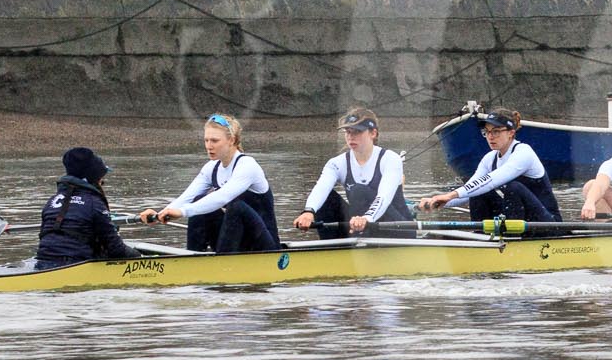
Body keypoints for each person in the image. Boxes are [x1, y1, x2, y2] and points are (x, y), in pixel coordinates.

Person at [139, 113, 281, 253]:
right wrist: (161, 214)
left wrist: (183, 212)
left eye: (214, 141)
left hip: (264, 246)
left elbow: (222, 198)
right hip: (235, 242)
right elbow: (186, 197)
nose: (209, 146)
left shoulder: (247, 165)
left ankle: (222, 262)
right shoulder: (211, 168)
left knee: (236, 207)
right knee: (198, 201)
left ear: (231, 140)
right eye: (206, 140)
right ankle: (193, 256)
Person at [419, 108, 560, 222]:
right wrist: (438, 201)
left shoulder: (524, 153)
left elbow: (492, 180)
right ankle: (481, 237)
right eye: (487, 132)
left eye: (496, 131)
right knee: (478, 192)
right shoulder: (489, 159)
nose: (490, 136)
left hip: (546, 222)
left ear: (511, 133)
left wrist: (450, 195)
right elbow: (472, 188)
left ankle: (511, 241)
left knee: (513, 188)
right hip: (521, 220)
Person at [294, 107, 414, 238]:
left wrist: (367, 218)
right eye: (348, 132)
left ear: (373, 133)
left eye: (357, 132)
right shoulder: (337, 163)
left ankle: (361, 240)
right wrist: (308, 211)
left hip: (399, 230)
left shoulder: (390, 159)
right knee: (326, 198)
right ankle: (334, 250)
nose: (351, 137)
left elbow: (383, 197)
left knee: (359, 191)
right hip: (361, 228)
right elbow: (321, 188)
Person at [36, 147, 138, 266]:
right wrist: (138, 256)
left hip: (43, 261)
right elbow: (116, 250)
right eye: (101, 181)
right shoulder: (94, 204)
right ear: (93, 181)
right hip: (74, 264)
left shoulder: (52, 201)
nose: (102, 184)